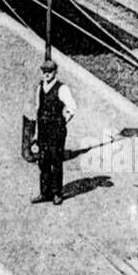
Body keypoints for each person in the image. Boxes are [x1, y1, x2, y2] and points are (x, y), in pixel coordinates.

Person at [31, 58, 76, 205]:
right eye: (44, 71)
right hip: (43, 130)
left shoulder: (62, 88)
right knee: (43, 161)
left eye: (49, 71)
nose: (46, 74)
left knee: (56, 160)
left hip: (56, 131)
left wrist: (62, 123)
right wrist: (37, 132)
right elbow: (38, 109)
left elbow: (72, 108)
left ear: (55, 72)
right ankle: (44, 192)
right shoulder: (40, 87)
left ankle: (57, 193)